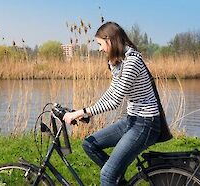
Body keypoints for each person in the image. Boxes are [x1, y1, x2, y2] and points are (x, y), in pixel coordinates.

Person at [63, 22, 170, 186]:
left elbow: (114, 101)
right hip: (132, 120)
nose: (99, 49)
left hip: (146, 124)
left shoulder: (132, 61)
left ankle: (113, 176)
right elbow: (111, 92)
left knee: (107, 175)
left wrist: (81, 113)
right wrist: (83, 111)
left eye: (100, 44)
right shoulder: (120, 61)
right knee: (90, 145)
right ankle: (119, 178)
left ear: (110, 40)